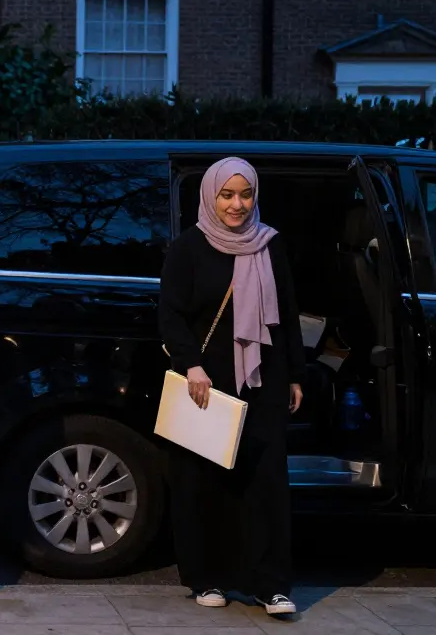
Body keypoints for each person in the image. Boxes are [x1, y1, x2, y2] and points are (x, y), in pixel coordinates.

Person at [158, 156, 304, 617]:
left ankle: (271, 585)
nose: (237, 205)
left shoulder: (269, 245)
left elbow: (287, 314)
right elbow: (171, 314)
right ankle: (208, 578)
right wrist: (192, 365)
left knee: (266, 485)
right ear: (211, 197)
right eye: (227, 195)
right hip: (208, 385)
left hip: (264, 380)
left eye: (245, 195)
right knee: (205, 484)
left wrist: (295, 374)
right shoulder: (188, 248)